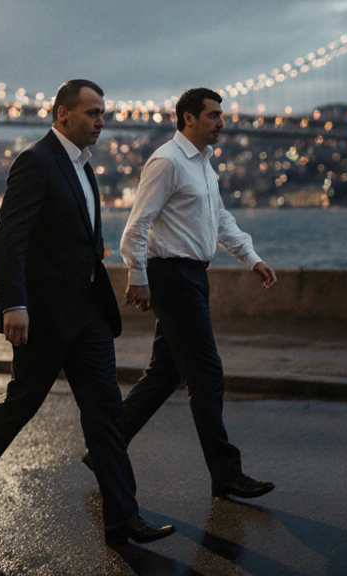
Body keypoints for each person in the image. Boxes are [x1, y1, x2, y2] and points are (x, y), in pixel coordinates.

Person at [0, 79, 175, 546]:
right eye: (92, 113)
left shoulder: (85, 167)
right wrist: (14, 304)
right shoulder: (36, 162)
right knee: (22, 404)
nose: (101, 121)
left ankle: (122, 517)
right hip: (44, 317)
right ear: (63, 114)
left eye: (103, 113)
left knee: (105, 414)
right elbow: (10, 240)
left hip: (88, 315)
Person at [107, 87, 278, 499]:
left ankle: (104, 450)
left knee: (164, 375)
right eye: (213, 115)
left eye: (221, 115)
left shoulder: (203, 163)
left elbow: (219, 219)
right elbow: (137, 224)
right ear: (188, 118)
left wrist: (251, 258)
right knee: (207, 375)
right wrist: (137, 275)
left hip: (194, 277)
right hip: (172, 277)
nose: (222, 122)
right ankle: (226, 473)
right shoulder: (167, 161)